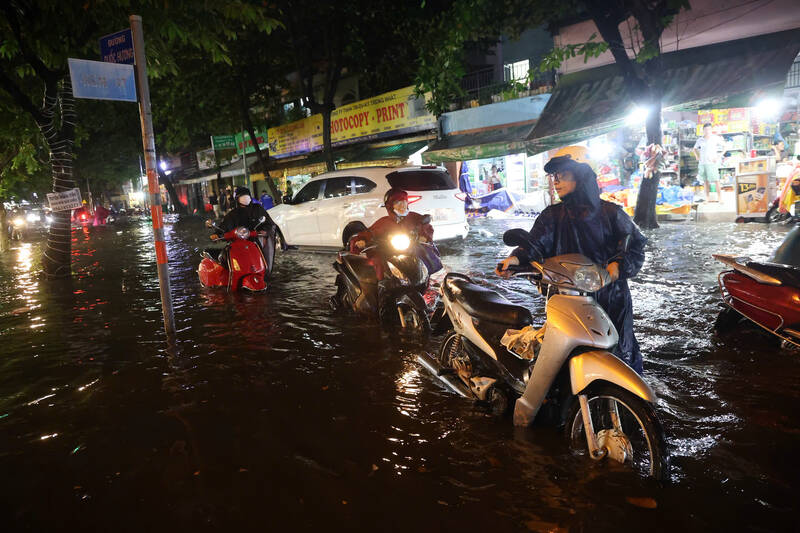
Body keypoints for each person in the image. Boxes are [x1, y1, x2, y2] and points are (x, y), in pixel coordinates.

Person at [495, 155, 647, 374]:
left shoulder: (612, 213)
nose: (556, 181)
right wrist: (514, 260)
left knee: (619, 353)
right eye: (554, 176)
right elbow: (534, 244)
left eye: (562, 175)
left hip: (611, 296)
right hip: (567, 296)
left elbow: (635, 244)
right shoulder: (552, 216)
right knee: (566, 355)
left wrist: (617, 266)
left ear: (580, 179)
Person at [349, 188, 438, 278]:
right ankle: (382, 281)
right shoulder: (384, 222)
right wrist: (361, 241)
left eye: (404, 202)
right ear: (390, 206)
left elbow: (427, 227)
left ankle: (429, 278)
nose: (402, 205)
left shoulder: (414, 217)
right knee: (379, 262)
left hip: (412, 251)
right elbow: (369, 233)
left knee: (426, 258)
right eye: (397, 202)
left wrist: (424, 237)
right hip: (391, 252)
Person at [692, 123, 721, 202]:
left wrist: (718, 157)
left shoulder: (715, 138)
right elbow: (694, 149)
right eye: (705, 129)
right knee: (705, 181)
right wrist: (697, 157)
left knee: (716, 180)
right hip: (703, 163)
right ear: (703, 130)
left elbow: (725, 147)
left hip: (712, 163)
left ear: (711, 130)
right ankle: (707, 198)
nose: (707, 131)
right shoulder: (700, 140)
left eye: (709, 129)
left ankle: (720, 198)